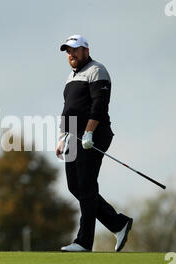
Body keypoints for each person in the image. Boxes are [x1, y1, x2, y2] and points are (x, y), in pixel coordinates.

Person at [56, 35, 133, 252]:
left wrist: (89, 132)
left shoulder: (97, 70)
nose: (71, 54)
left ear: (86, 51)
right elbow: (69, 109)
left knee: (87, 186)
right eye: (68, 51)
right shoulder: (70, 77)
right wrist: (62, 137)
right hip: (73, 136)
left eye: (74, 50)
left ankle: (83, 242)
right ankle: (118, 223)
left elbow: (100, 104)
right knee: (75, 186)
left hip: (94, 135)